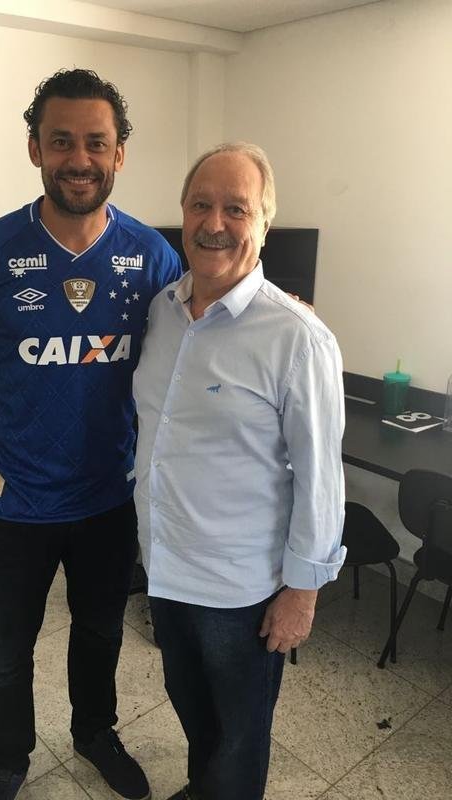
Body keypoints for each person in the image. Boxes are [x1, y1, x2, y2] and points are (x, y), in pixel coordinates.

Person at [0, 68, 181, 800]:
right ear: (34, 148)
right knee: (5, 654)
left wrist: (272, 306)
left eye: (96, 142)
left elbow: (199, 340)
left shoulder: (153, 256)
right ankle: (6, 760)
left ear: (120, 153)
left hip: (110, 501)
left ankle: (95, 733)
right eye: (61, 140)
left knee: (99, 636)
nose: (79, 158)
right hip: (11, 506)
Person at [133, 142, 346, 800]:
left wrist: (302, 594)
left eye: (236, 208)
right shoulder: (161, 311)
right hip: (166, 572)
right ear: (183, 212)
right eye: (201, 204)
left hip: (240, 595)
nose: (214, 222)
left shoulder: (295, 337)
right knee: (195, 716)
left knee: (240, 735)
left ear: (264, 223)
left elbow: (321, 479)